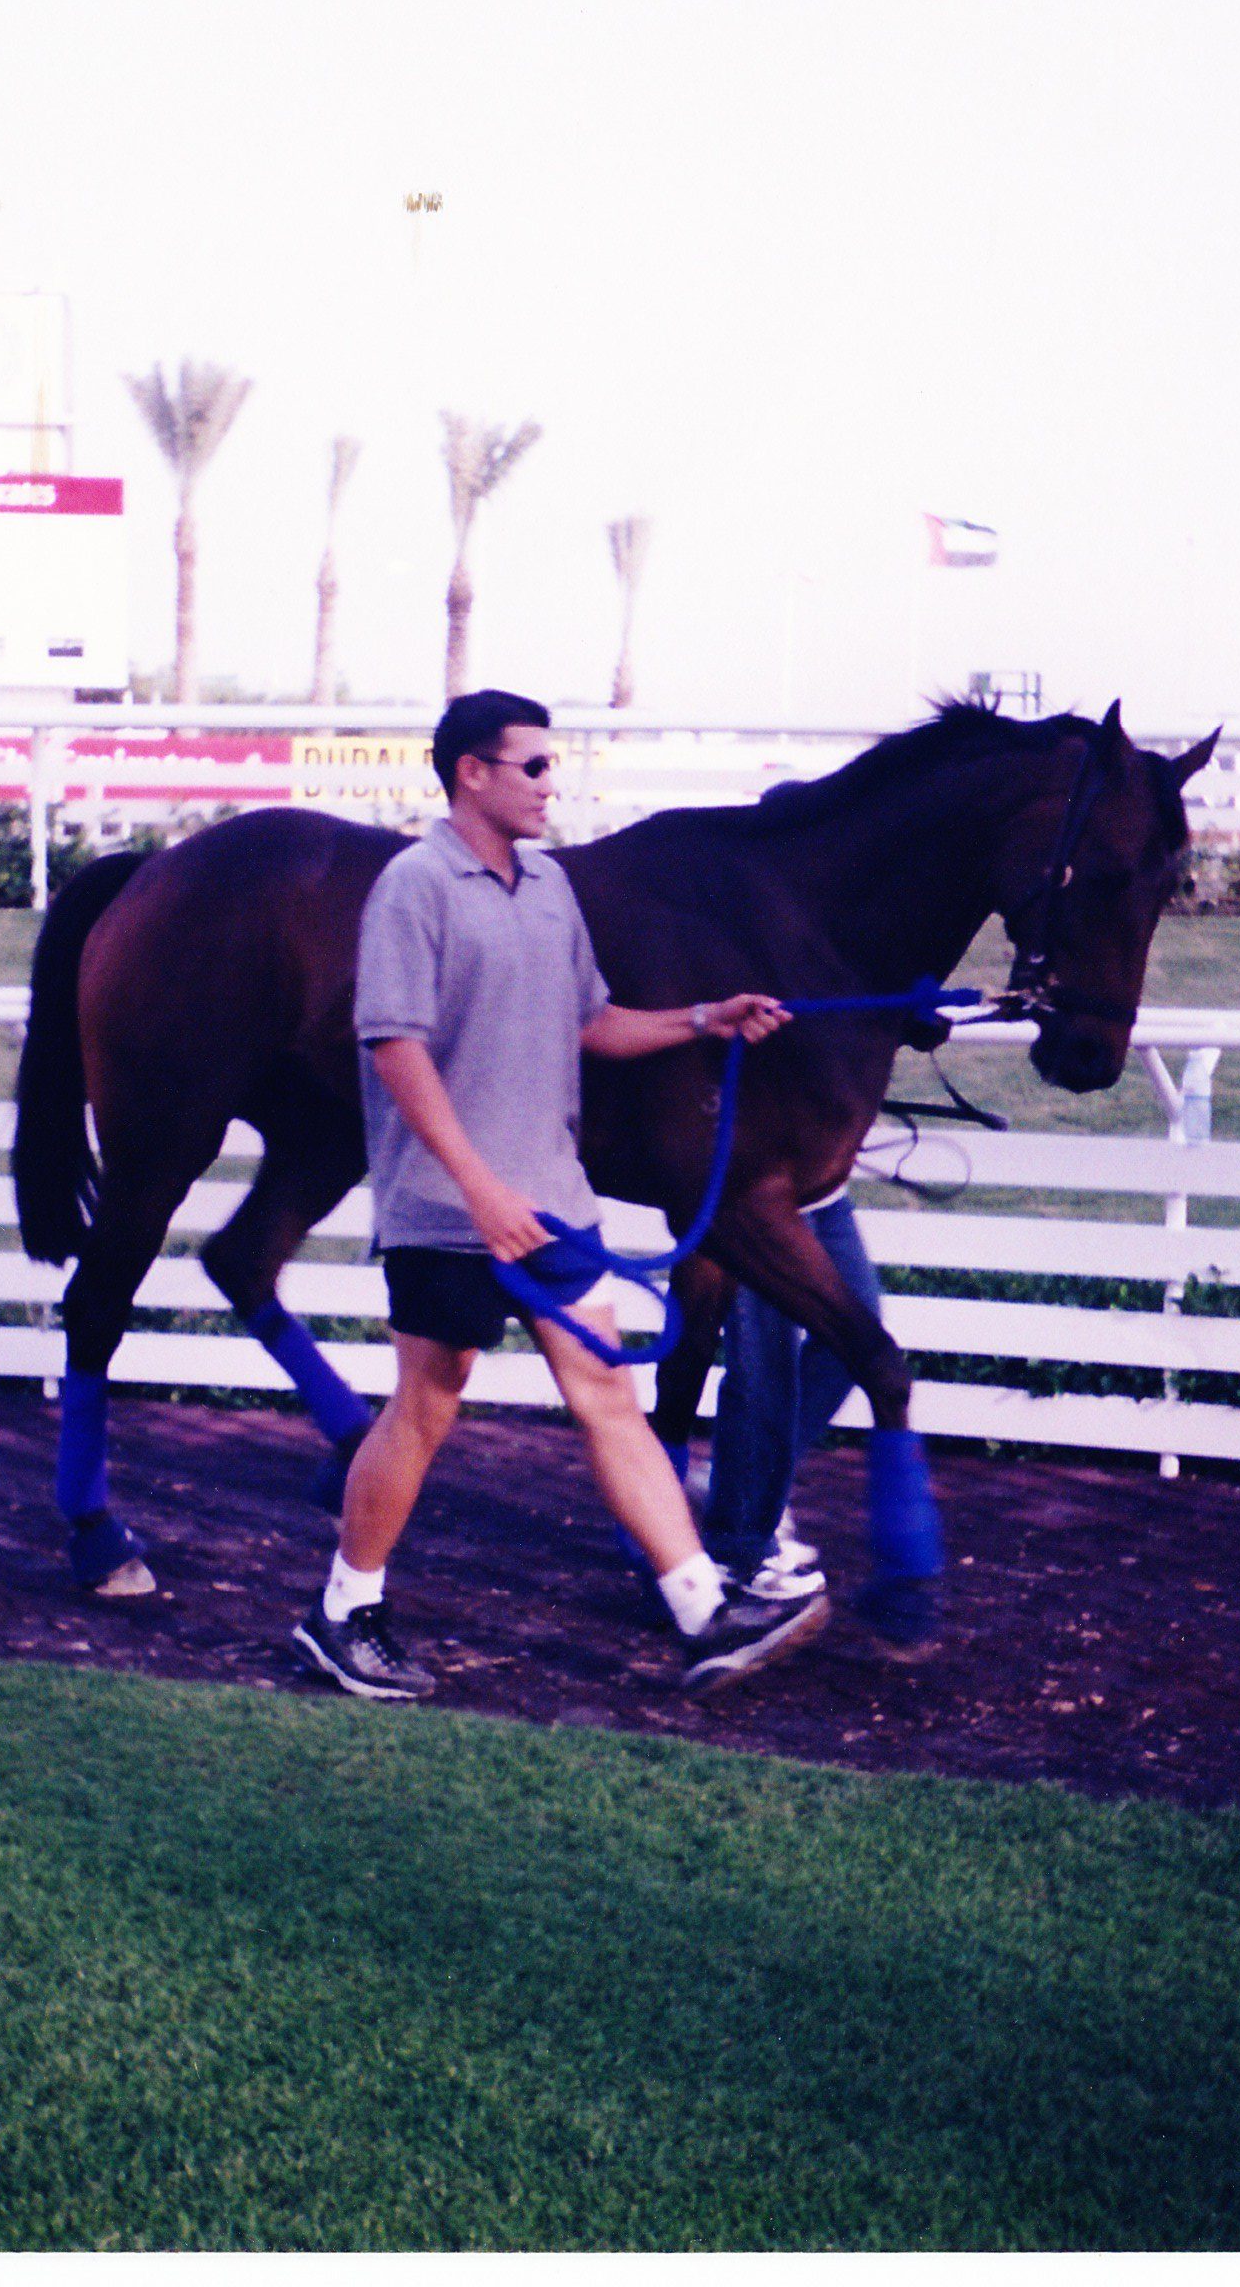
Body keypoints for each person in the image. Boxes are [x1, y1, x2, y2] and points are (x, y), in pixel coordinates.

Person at [293, 690, 833, 1700]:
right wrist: (479, 1190)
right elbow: (395, 1046)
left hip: (554, 1199)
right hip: (450, 1210)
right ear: (472, 773)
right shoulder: (415, 887)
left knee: (607, 1395)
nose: (551, 783)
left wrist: (703, 1019)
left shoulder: (547, 885)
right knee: (426, 1405)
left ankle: (701, 1610)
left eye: (552, 765)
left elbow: (593, 1021)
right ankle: (343, 1612)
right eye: (533, 765)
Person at [695, 1189, 881, 1602]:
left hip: (821, 1190)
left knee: (856, 1332)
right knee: (765, 1352)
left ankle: (738, 1481)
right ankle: (737, 1548)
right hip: (754, 1187)